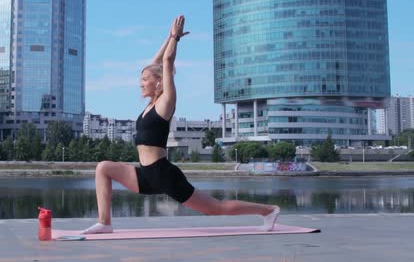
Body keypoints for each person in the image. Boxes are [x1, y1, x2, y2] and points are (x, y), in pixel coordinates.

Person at [80, 15, 280, 235]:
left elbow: (165, 63)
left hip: (163, 174)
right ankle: (105, 223)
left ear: (158, 82)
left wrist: (175, 39)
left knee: (215, 208)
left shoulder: (166, 102)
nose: (140, 83)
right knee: (103, 168)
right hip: (145, 175)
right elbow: (156, 63)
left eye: (144, 79)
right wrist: (169, 37)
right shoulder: (150, 104)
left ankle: (268, 210)